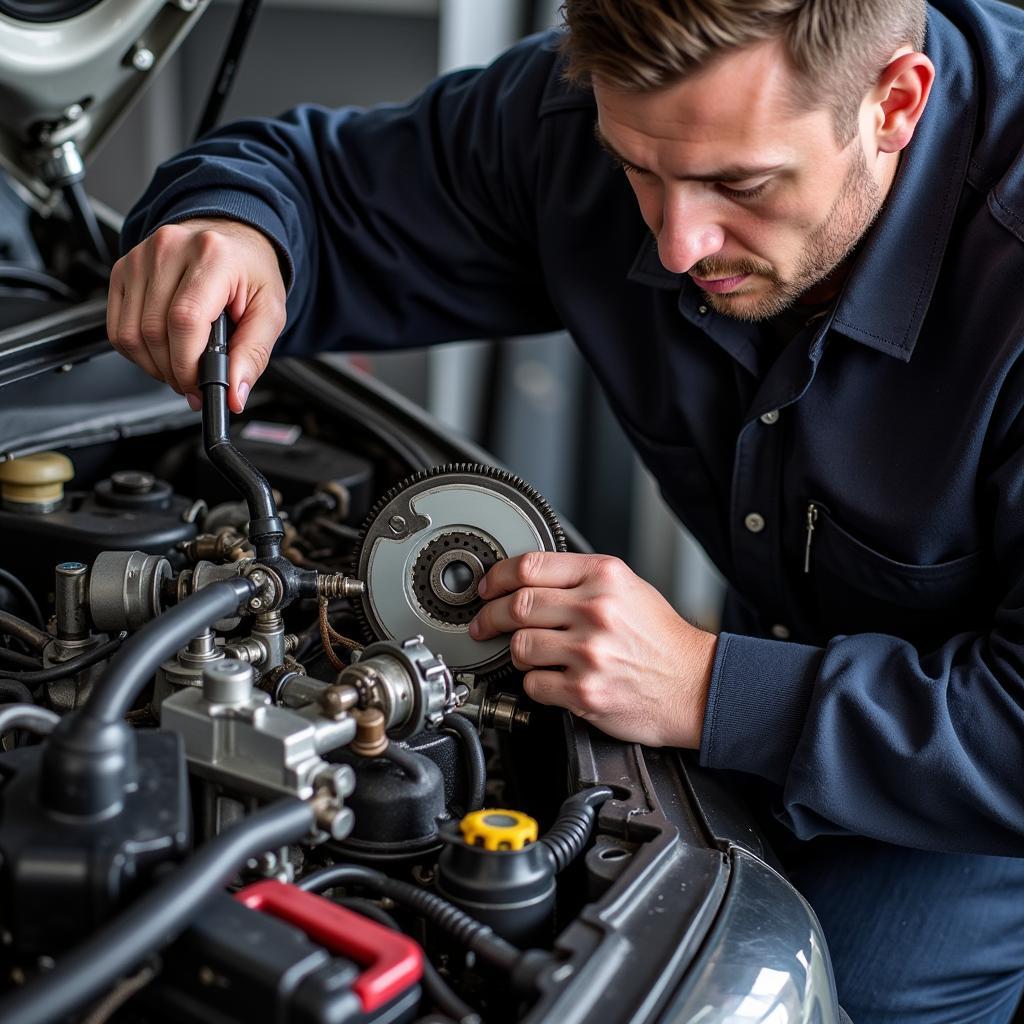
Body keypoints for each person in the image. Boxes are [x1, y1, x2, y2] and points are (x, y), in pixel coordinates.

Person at [109, 0, 1024, 1019]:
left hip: (983, 770)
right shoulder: (582, 120)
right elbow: (312, 182)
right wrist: (238, 230)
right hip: (802, 654)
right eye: (636, 167)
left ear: (893, 102)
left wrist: (704, 684)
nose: (678, 245)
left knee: (832, 982)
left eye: (740, 183)